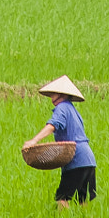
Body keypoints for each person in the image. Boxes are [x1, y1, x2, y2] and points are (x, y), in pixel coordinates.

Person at [24, 75, 96, 207]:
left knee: (62, 198)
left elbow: (52, 125)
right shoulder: (73, 110)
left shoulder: (62, 108)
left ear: (61, 94)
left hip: (75, 159)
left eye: (53, 94)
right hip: (88, 159)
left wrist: (33, 141)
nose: (51, 97)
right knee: (83, 200)